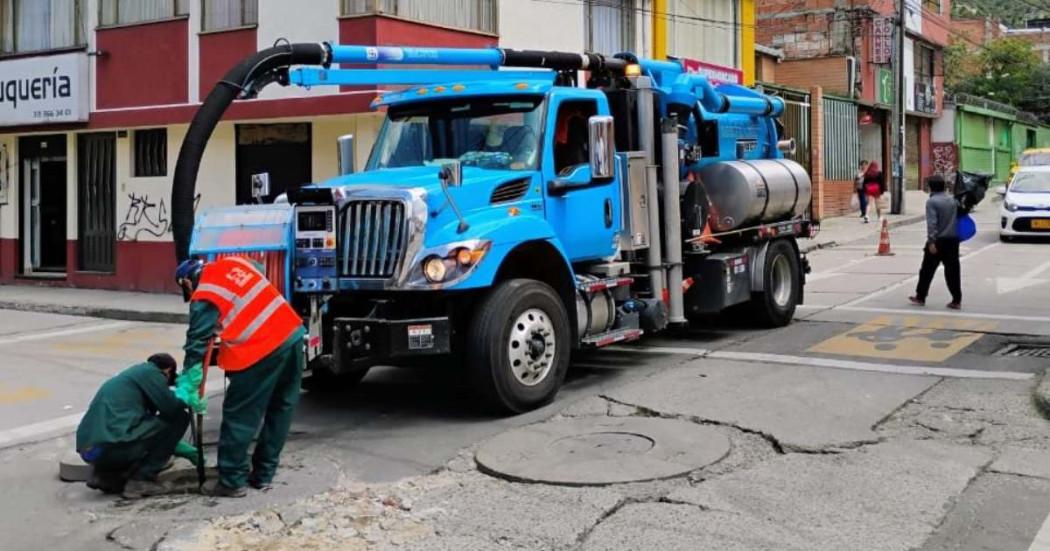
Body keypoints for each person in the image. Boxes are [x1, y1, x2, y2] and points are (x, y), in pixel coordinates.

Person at [175, 255, 305, 498]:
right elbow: (256, 275)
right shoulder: (236, 264)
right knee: (280, 410)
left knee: (240, 414)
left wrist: (190, 380)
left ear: (188, 281)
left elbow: (197, 341)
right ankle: (263, 475)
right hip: (292, 335)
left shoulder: (205, 291)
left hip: (262, 349)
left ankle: (232, 479)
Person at [76, 353, 191, 499]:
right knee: (180, 417)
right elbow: (171, 407)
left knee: (132, 428)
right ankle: (142, 480)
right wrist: (185, 394)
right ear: (168, 371)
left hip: (89, 450)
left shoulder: (129, 377)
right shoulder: (152, 373)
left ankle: (103, 476)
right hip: (113, 447)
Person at [909, 174, 962, 310]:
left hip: (938, 241)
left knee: (927, 270)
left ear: (930, 187)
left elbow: (932, 223)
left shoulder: (932, 202)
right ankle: (956, 300)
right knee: (953, 271)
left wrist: (931, 242)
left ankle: (921, 297)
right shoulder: (952, 200)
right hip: (952, 241)